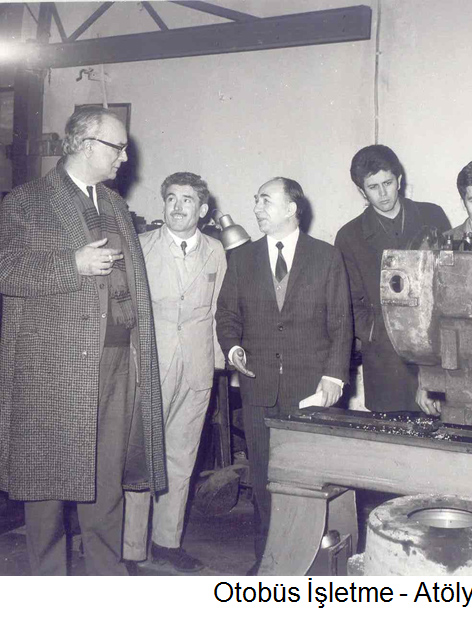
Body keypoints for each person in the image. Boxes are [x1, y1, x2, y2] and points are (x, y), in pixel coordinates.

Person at [0, 106, 166, 575]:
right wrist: (71, 265)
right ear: (87, 145)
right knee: (47, 485)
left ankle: (104, 581)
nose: (125, 157)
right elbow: (6, 269)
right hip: (55, 366)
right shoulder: (28, 200)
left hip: (117, 359)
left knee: (106, 481)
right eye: (118, 147)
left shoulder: (114, 204)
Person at [215, 177, 352, 568]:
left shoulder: (326, 256)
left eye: (265, 200)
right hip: (258, 388)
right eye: (256, 200)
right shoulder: (242, 258)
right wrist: (233, 348)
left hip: (309, 390)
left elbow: (341, 322)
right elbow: (227, 315)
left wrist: (334, 377)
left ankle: (311, 564)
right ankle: (268, 563)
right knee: (263, 480)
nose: (257, 208)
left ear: (292, 208)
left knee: (310, 480)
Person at [122, 172, 227, 573]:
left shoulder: (215, 250)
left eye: (187, 200)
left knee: (182, 457)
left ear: (203, 209)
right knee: (142, 456)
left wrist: (217, 364)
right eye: (171, 198)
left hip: (197, 368)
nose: (178, 206)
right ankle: (132, 547)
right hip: (150, 364)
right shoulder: (142, 246)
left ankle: (167, 541)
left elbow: (217, 310)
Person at [335, 145, 450, 416]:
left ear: (399, 179)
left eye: (387, 183)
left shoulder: (432, 215)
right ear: (362, 191)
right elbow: (349, 303)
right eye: (373, 187)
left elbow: (451, 281)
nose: (383, 193)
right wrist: (378, 332)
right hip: (386, 361)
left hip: (438, 352)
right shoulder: (349, 236)